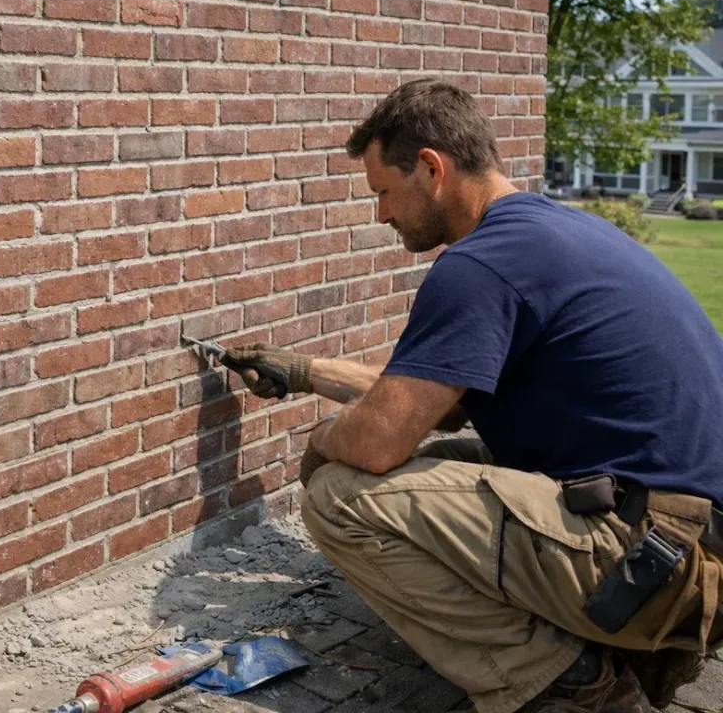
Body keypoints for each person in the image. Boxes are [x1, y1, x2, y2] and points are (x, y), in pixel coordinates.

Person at [222, 79, 722, 713]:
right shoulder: (548, 234)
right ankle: (603, 638)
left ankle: (567, 683)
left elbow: (379, 438)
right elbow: (433, 397)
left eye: (382, 191)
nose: (380, 213)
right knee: (448, 454)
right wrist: (303, 372)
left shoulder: (479, 264)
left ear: (430, 168)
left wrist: (321, 440)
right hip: (689, 540)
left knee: (339, 495)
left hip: (658, 565)